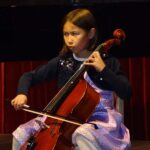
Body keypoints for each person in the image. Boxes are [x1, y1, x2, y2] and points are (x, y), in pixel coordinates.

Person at [11, 8, 132, 150]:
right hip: (65, 119)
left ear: (91, 33)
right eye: (66, 34)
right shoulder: (62, 62)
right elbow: (28, 76)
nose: (69, 39)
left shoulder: (108, 62)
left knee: (82, 133)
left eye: (75, 34)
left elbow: (126, 92)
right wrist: (21, 93)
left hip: (101, 120)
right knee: (21, 133)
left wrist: (103, 69)